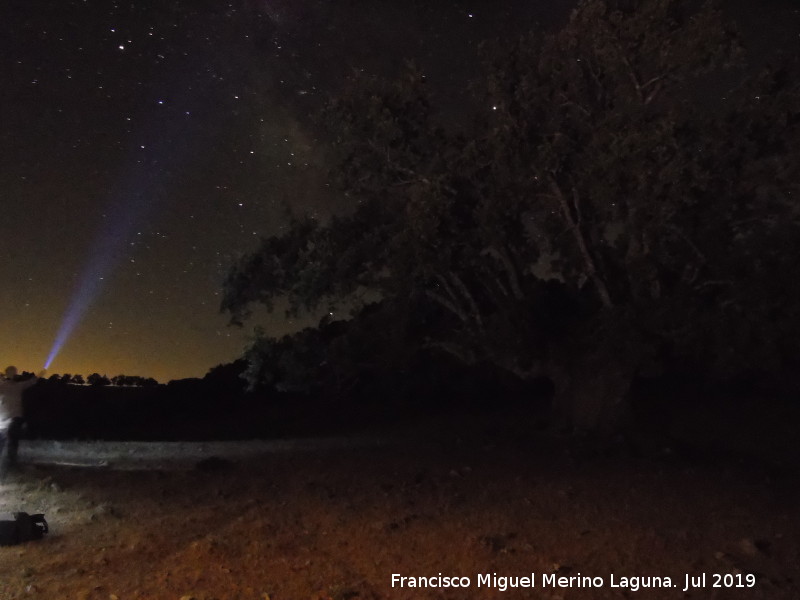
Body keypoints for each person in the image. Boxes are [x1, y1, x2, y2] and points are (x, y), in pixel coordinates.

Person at [0, 366, 45, 479]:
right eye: (10, 372)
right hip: (2, 419)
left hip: (15, 418)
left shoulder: (18, 386)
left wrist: (40, 375)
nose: (13, 374)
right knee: (4, 442)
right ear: (7, 373)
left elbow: (30, 382)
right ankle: (8, 466)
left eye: (14, 372)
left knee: (11, 440)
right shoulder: (2, 385)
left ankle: (9, 467)